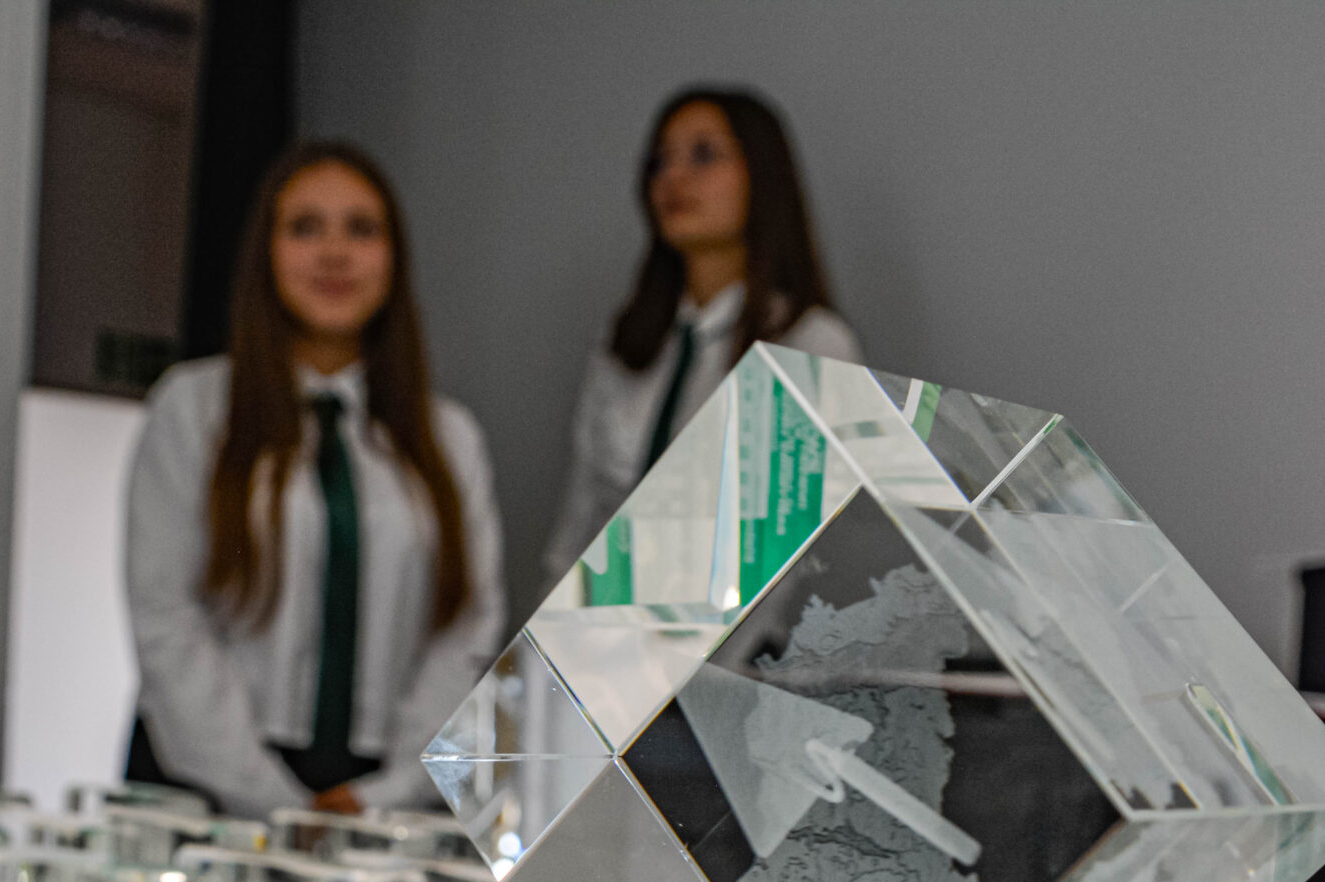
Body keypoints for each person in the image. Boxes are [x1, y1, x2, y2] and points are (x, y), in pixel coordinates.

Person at [124, 141, 502, 819]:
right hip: (205, 785)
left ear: (393, 259)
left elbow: (467, 630)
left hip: (380, 800)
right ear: (265, 253)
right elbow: (166, 614)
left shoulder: (450, 438)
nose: (334, 253)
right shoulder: (192, 408)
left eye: (361, 229)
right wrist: (271, 800)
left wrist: (382, 796)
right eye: (305, 228)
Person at [542, 87, 860, 590]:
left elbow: (781, 551)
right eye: (659, 162)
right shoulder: (628, 338)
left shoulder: (812, 344)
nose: (674, 177)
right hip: (597, 625)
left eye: (704, 155)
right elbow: (580, 520)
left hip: (736, 634)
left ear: (762, 175)